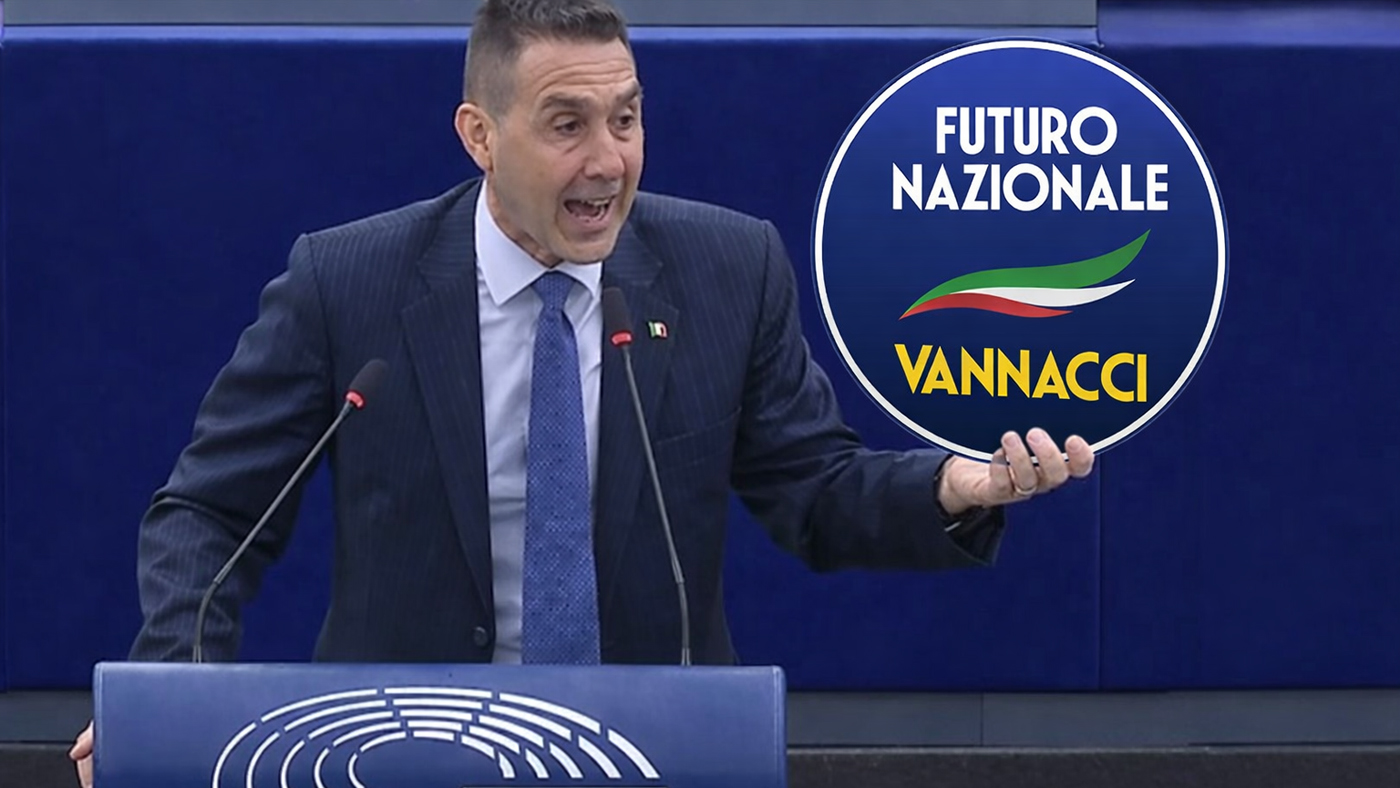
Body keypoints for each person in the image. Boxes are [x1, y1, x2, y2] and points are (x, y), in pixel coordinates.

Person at [70, 0, 1094, 782]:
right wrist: (171, 697)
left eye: (627, 118)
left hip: (652, 748)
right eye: (567, 124)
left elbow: (814, 492)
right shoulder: (348, 283)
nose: (609, 160)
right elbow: (211, 512)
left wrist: (951, 487)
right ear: (479, 135)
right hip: (404, 749)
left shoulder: (727, 269)